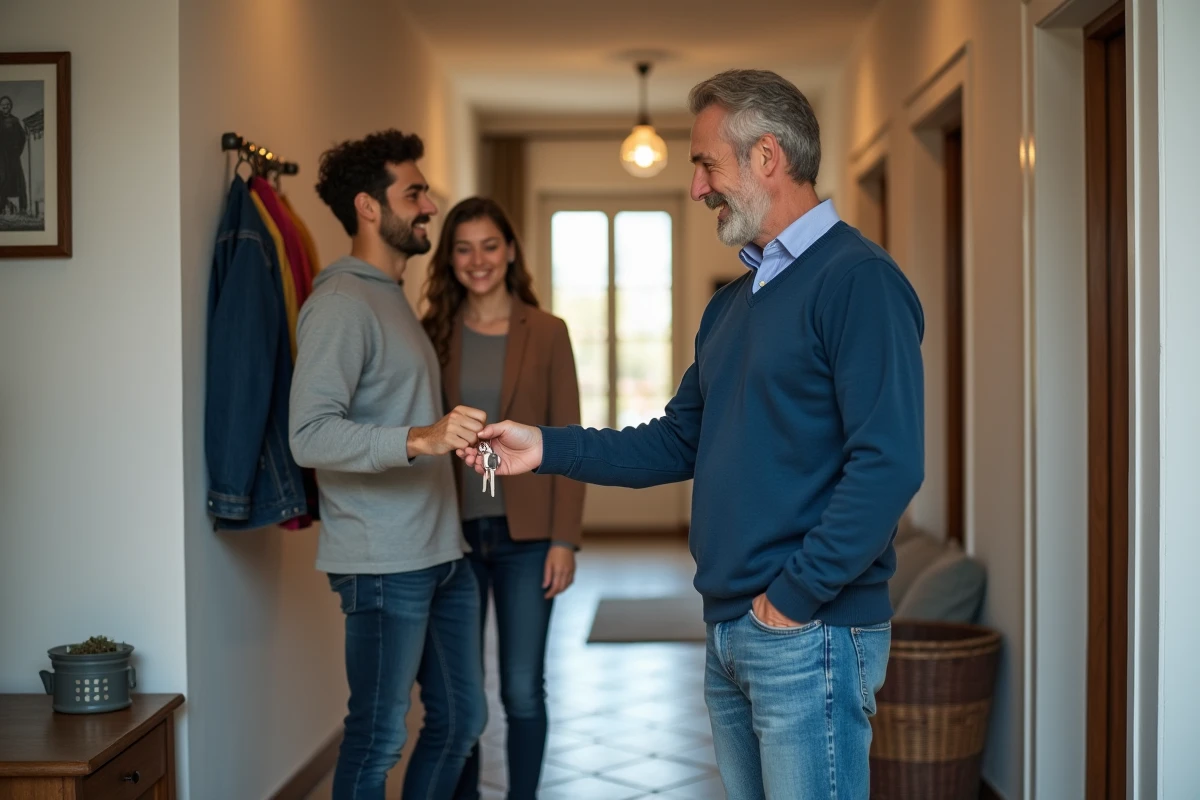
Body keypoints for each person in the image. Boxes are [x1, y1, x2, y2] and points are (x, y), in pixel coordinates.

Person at [460, 70, 926, 800]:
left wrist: (794, 599)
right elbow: (676, 442)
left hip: (808, 633)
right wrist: (546, 446)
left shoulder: (858, 280)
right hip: (733, 627)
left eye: (707, 164)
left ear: (767, 157)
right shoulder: (733, 305)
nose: (697, 188)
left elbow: (889, 464)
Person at [289, 129, 487, 800]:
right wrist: (421, 439)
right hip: (382, 564)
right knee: (377, 738)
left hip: (441, 554)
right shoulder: (342, 303)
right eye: (413, 192)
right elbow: (309, 436)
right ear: (369, 208)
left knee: (462, 718)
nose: (430, 204)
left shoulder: (390, 297)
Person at [420, 197, 585, 800]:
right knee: (461, 698)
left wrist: (565, 539)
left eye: (489, 245)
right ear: (450, 258)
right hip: (452, 537)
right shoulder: (432, 332)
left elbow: (568, 439)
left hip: (528, 536)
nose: (477, 260)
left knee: (520, 689)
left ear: (510, 250)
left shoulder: (547, 331)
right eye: (463, 248)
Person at [0, 96, 28, 216]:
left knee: (18, 181)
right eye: (3, 105)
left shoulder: (15, 121)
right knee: (1, 179)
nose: (5, 107)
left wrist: (17, 151)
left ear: (11, 106)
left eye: (7, 104)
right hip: (0, 156)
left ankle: (23, 209)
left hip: (12, 156)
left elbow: (22, 137)